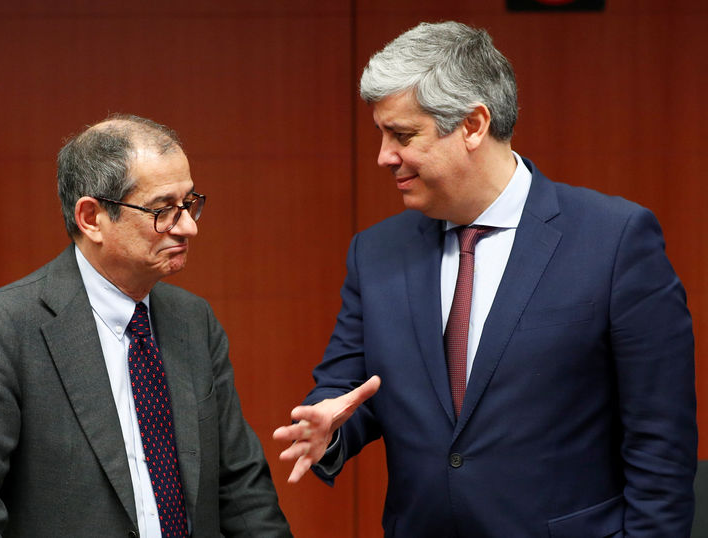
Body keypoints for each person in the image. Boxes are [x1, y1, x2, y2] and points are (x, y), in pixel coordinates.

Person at [274, 21, 697, 537]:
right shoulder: (376, 252)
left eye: (403, 135)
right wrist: (328, 425)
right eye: (382, 135)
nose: (384, 156)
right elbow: (350, 387)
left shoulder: (614, 240)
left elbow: (661, 443)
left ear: (473, 125)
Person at [0, 114, 292, 537]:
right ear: (91, 217)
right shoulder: (3, 327)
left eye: (189, 203)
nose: (189, 226)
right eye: (162, 210)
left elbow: (242, 487)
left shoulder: (194, 321)